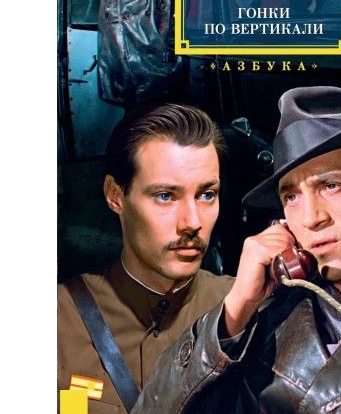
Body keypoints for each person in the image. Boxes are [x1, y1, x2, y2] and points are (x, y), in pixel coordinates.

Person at [133, 86, 341, 413]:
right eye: (291, 197)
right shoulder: (270, 315)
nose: (311, 218)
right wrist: (236, 309)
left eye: (331, 185)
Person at [58, 104, 234, 413]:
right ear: (116, 195)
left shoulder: (243, 308)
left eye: (207, 195)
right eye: (165, 196)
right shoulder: (60, 320)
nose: (192, 222)